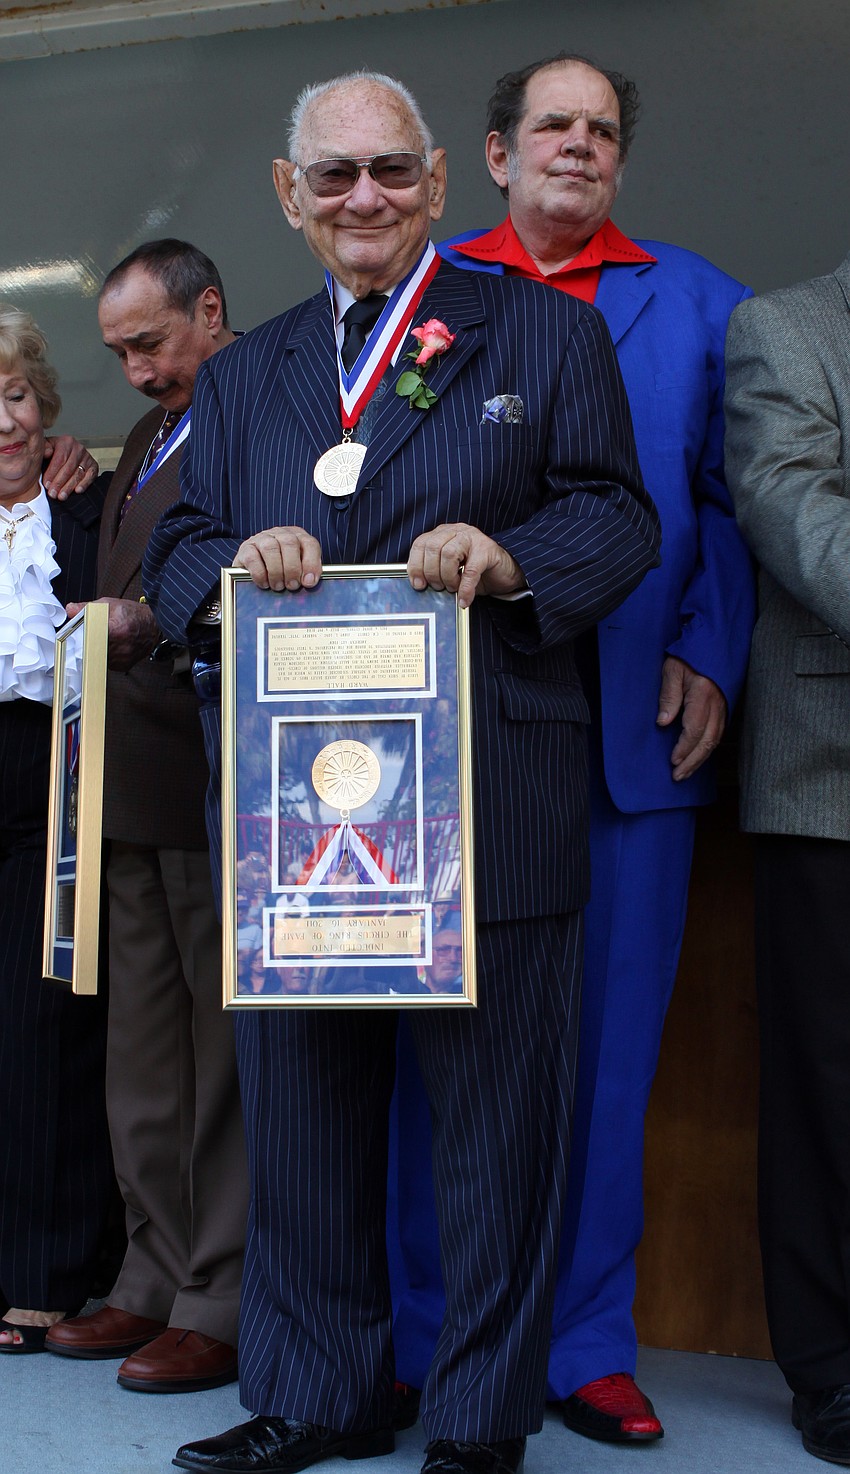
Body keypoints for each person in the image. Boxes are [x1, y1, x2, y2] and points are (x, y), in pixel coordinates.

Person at [144, 69, 660, 1474]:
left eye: (387, 172)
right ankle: (320, 1389)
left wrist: (509, 559)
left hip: (493, 793)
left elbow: (618, 517)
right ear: (286, 194)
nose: (360, 199)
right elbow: (175, 547)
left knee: (498, 1132)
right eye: (333, 177)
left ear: (438, 180)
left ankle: (480, 1416)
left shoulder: (544, 334)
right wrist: (228, 573)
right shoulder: (242, 375)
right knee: (302, 1116)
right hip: (293, 826)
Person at [386, 52, 757, 1444]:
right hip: (447, 739)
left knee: (607, 1062)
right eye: (553, 124)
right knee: (435, 1059)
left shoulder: (699, 301)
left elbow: (727, 509)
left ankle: (583, 1339)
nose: (579, 146)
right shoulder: (419, 298)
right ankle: (428, 1330)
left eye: (601, 130)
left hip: (632, 742)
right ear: (492, 154)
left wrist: (707, 650)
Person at [45, 241, 249, 1394]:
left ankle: (217, 1296)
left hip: (207, 785)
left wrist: (146, 623)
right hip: (118, 790)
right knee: (140, 1057)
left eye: (150, 343)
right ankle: (148, 1278)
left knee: (214, 1063)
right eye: (117, 349)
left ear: (209, 311)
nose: (132, 369)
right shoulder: (138, 437)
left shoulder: (260, 409)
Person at [724, 253, 850, 1467]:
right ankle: (832, 1370)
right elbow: (787, 506)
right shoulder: (788, 327)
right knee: (827, 1093)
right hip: (831, 774)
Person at [0, 304, 114, 1352]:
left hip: (56, 781)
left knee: (46, 1029)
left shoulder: (89, 507)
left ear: (47, 410)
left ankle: (42, 1269)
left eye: (16, 396)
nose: (3, 419)